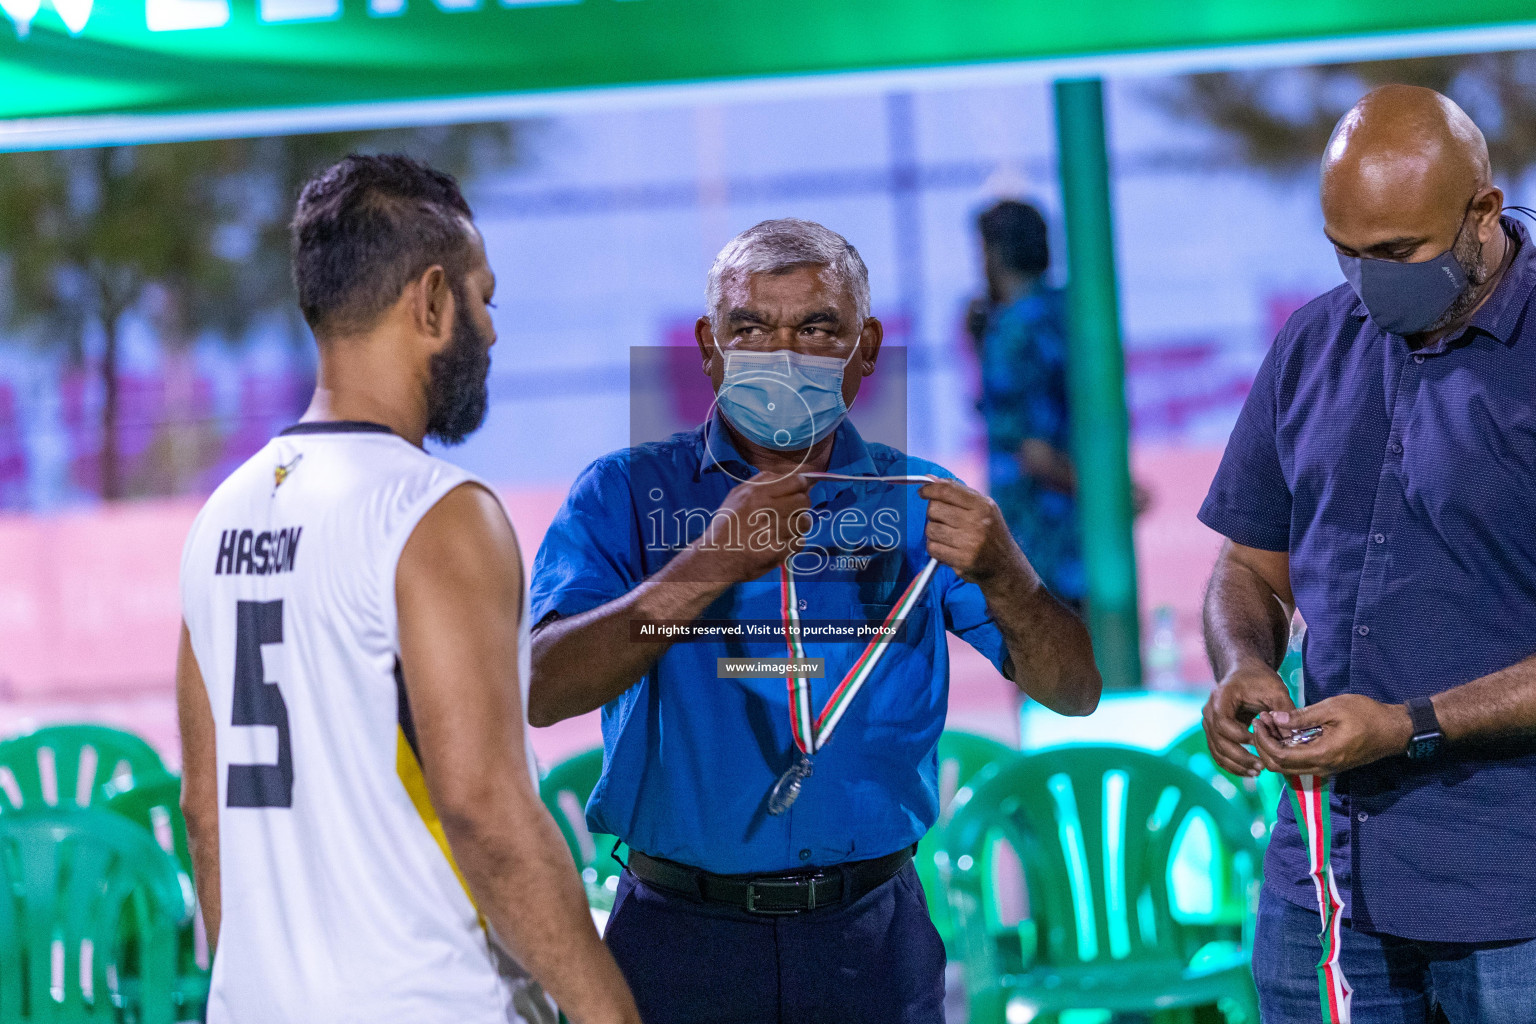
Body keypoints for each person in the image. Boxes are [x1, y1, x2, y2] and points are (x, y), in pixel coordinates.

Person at [528, 218, 1101, 1023]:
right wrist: (705, 566)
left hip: (870, 939)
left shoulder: (921, 503)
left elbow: (1075, 689)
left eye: (816, 328)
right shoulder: (624, 494)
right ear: (708, 346)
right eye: (751, 328)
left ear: (864, 350)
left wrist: (1006, 571)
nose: (781, 353)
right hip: (677, 940)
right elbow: (543, 687)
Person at [176, 154, 640, 1024]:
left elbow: (204, 807)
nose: (493, 333)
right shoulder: (436, 515)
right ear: (431, 301)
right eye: (484, 298)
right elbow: (487, 813)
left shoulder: (219, 518)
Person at [1200, 85, 1536, 1024]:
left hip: (1514, 898)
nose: (1366, 277)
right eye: (1344, 251)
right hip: (1324, 884)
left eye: (1396, 255)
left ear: (1484, 210)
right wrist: (1244, 663)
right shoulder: (1313, 343)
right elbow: (1248, 569)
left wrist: (1410, 724)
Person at [970, 199, 1086, 612]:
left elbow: (1032, 452)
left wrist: (1105, 495)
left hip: (1040, 548)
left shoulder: (1014, 329)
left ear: (993, 253)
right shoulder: (1072, 308)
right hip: (1086, 545)